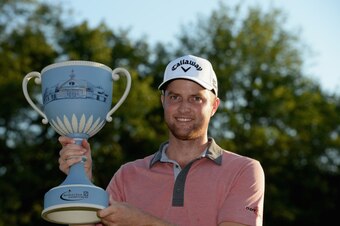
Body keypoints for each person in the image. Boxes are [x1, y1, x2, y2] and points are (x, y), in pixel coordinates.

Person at [59, 54, 265, 226]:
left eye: (196, 98)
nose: (184, 108)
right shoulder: (127, 175)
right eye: (175, 97)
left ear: (214, 106)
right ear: (163, 102)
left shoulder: (244, 170)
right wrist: (83, 183)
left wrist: (142, 222)